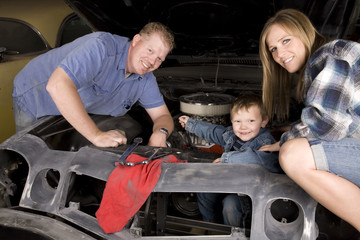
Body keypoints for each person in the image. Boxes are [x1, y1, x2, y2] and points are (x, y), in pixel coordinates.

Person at [258, 9, 360, 231]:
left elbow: (329, 125)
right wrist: (290, 130)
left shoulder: (332, 52)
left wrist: (285, 140)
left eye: (286, 41)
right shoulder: (319, 64)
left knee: (294, 155)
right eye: (273, 49)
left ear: (304, 32)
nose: (279, 54)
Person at [12, 22, 175, 148]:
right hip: (36, 97)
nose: (152, 61)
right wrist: (96, 135)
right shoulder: (101, 48)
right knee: (31, 154)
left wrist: (161, 132)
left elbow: (162, 116)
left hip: (70, 108)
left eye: (160, 59)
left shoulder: (145, 79)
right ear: (136, 40)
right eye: (150, 51)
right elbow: (57, 85)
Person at [178, 93, 281, 228]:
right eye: (238, 121)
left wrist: (227, 159)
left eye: (251, 121)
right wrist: (191, 124)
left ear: (263, 121)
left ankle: (234, 233)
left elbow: (256, 157)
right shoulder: (232, 135)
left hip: (249, 194)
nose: (243, 127)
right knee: (204, 191)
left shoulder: (266, 142)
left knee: (230, 205)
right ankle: (210, 227)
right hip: (230, 182)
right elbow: (213, 131)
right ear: (231, 121)